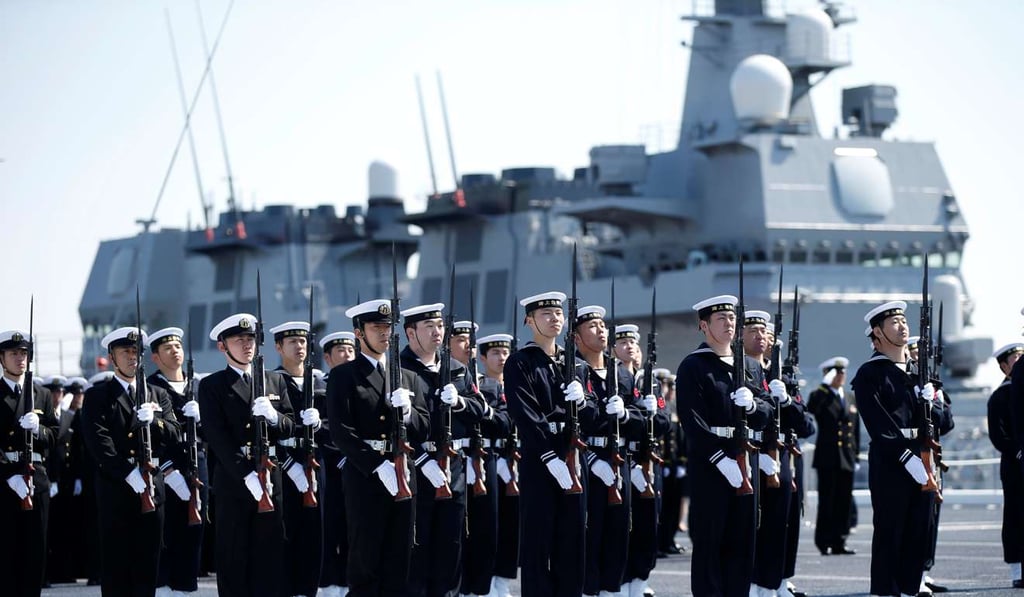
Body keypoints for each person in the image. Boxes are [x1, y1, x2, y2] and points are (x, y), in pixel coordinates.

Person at [325, 299, 431, 597]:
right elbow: (340, 431)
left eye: (387, 327)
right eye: (376, 328)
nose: (384, 333)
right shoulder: (344, 376)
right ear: (359, 333)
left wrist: (409, 412)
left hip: (403, 473)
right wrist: (375, 464)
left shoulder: (408, 376)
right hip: (366, 476)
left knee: (400, 557)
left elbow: (424, 427)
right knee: (365, 557)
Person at [675, 295, 771, 597]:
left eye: (732, 319)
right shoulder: (694, 366)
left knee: (743, 542)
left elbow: (769, 412)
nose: (729, 324)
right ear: (704, 326)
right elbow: (692, 422)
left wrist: (754, 406)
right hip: (711, 465)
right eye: (721, 319)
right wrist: (720, 459)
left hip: (744, 459)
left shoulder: (750, 368)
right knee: (710, 542)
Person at [852, 301, 949, 597]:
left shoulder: (919, 373)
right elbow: (878, 423)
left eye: (904, 321)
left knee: (919, 531)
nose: (902, 326)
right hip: (892, 461)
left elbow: (944, 422)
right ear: (877, 333)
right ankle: (884, 592)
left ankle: (909, 589)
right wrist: (906, 458)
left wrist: (932, 403)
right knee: (890, 531)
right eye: (893, 323)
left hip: (923, 455)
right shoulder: (869, 374)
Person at [197, 313, 297, 597]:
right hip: (235, 480)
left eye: (250, 338)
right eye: (238, 340)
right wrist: (246, 474)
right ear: (222, 347)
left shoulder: (274, 381)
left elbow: (290, 426)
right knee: (234, 555)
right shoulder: (212, 385)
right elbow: (217, 438)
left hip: (271, 476)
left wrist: (275, 417)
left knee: (270, 555)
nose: (246, 345)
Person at [504, 291, 595, 597]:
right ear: (529, 321)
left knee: (573, 542)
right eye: (546, 314)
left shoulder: (576, 364)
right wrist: (548, 457)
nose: (555, 319)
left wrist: (582, 402)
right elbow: (524, 413)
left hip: (573, 456)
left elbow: (595, 415)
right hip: (541, 461)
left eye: (558, 314)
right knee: (539, 543)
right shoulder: (519, 363)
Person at [80, 326, 182, 597]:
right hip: (117, 488)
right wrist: (127, 472)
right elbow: (99, 443)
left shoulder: (157, 394)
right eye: (125, 351)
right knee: (117, 566)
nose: (132, 356)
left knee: (148, 565)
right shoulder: (98, 396)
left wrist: (156, 422)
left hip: (151, 487)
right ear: (112, 357)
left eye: (136, 351)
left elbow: (175, 433)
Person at [398, 304, 485, 597]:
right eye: (429, 326)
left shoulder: (457, 369)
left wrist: (459, 402)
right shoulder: (398, 371)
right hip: (414, 468)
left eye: (439, 325)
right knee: (417, 546)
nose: (437, 332)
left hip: (454, 467)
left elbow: (480, 409)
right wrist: (422, 461)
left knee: (452, 545)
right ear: (411, 332)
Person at [573, 307, 640, 597]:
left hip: (619, 460)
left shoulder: (622, 376)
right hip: (587, 463)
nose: (601, 330)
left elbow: (643, 421)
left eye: (602, 325)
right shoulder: (574, 373)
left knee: (618, 531)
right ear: (576, 338)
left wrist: (626, 415)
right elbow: (576, 423)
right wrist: (590, 458)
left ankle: (612, 589)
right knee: (589, 533)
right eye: (592, 326)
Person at [145, 327, 206, 597]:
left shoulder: (197, 386)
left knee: (195, 528)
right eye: (168, 348)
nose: (175, 352)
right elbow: (151, 437)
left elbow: (212, 433)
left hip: (196, 462)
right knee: (165, 531)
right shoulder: (150, 388)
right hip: (165, 467)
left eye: (178, 347)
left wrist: (202, 420)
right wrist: (168, 471)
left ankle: (186, 587)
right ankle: (163, 587)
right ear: (156, 357)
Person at [741, 311, 799, 597]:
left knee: (780, 522)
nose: (760, 335)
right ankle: (751, 582)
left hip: (780, 454)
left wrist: (786, 399)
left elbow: (804, 422)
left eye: (763, 331)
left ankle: (773, 582)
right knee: (751, 524)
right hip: (751, 452)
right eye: (752, 330)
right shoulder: (738, 371)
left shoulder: (782, 376)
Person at [268, 321, 326, 597]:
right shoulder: (271, 381)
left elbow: (336, 426)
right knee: (285, 534)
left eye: (303, 342)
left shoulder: (319, 381)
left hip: (315, 464)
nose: (299, 347)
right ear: (279, 347)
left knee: (314, 535)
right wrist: (289, 466)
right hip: (284, 467)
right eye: (292, 342)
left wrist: (320, 425)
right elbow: (266, 432)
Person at [0, 329, 60, 597]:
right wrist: (9, 473)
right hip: (5, 481)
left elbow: (55, 435)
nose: (20, 358)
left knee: (36, 552)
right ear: (2, 358)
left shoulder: (41, 394)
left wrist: (40, 431)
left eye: (24, 353)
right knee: (8, 552)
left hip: (36, 479)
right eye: (13, 353)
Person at [614, 323, 668, 597]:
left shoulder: (650, 382)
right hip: (624, 458)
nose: (630, 347)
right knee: (624, 523)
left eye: (633, 342)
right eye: (623, 343)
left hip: (649, 458)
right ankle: (621, 582)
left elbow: (664, 421)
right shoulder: (613, 379)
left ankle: (640, 580)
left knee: (648, 522)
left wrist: (652, 413)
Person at [462, 330, 515, 597]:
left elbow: (507, 424)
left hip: (502, 460)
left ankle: (498, 581)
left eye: (505, 352)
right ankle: (472, 583)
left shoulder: (500, 387)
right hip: (472, 459)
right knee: (474, 525)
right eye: (495, 352)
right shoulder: (475, 386)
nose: (502, 358)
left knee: (504, 525)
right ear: (483, 358)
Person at [319, 330, 358, 597]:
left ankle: (348, 582)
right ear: (328, 357)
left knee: (353, 527)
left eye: (351, 351)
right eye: (341, 351)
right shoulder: (320, 388)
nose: (347, 355)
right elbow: (326, 427)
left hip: (357, 465)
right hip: (329, 465)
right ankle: (329, 583)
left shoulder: (363, 383)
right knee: (328, 525)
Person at [807, 356, 858, 557]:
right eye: (836, 373)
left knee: (843, 501)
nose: (841, 376)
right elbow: (813, 409)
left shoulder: (850, 397)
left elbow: (855, 429)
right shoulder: (820, 395)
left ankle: (840, 541)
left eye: (843, 372)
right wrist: (823, 387)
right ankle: (824, 541)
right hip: (828, 457)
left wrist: (856, 455)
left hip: (846, 456)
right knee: (827, 501)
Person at [988, 342, 1024, 588]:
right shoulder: (1000, 396)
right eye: (1015, 358)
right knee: (1015, 516)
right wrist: (1019, 451)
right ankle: (1017, 569)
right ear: (1004, 367)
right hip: (1014, 465)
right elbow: (999, 436)